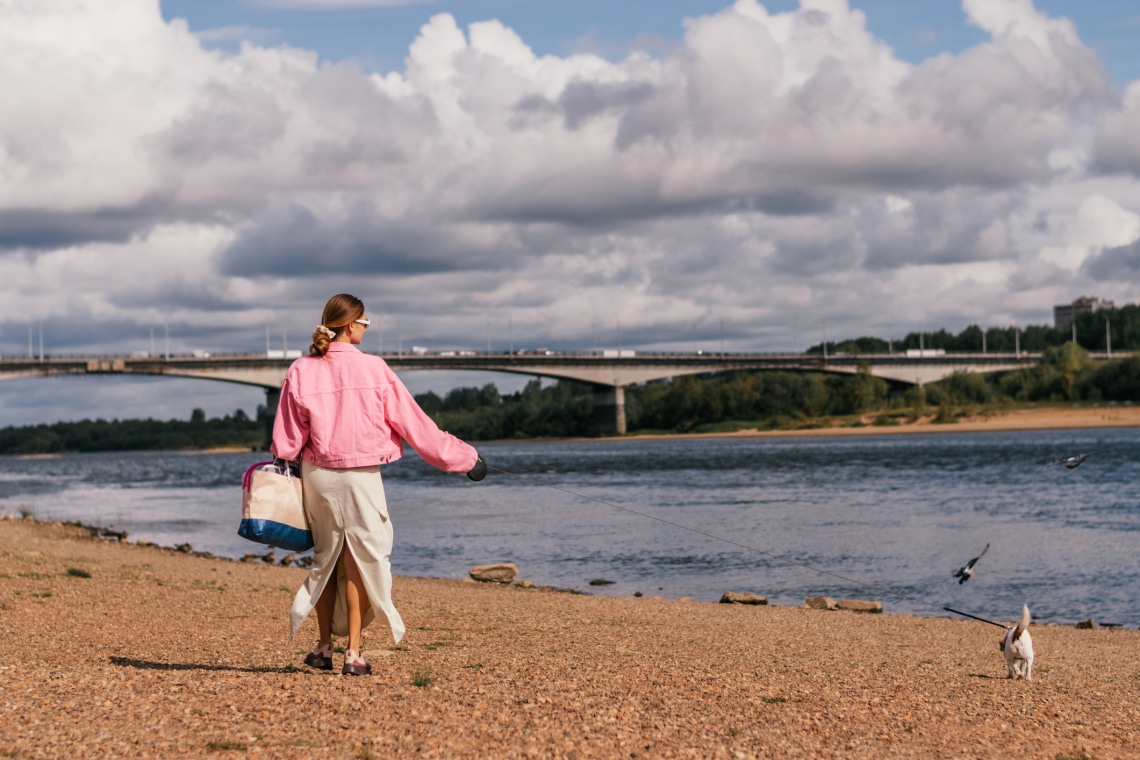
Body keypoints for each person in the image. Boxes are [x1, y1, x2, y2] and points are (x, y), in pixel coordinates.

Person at [271, 293, 487, 676]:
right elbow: (417, 426)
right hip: (360, 476)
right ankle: (353, 654)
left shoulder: (301, 369)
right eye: (365, 323)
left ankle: (322, 648)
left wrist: (284, 463)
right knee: (361, 559)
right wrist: (466, 459)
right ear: (351, 325)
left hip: (317, 476)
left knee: (326, 557)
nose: (366, 329)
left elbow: (287, 440)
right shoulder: (375, 369)